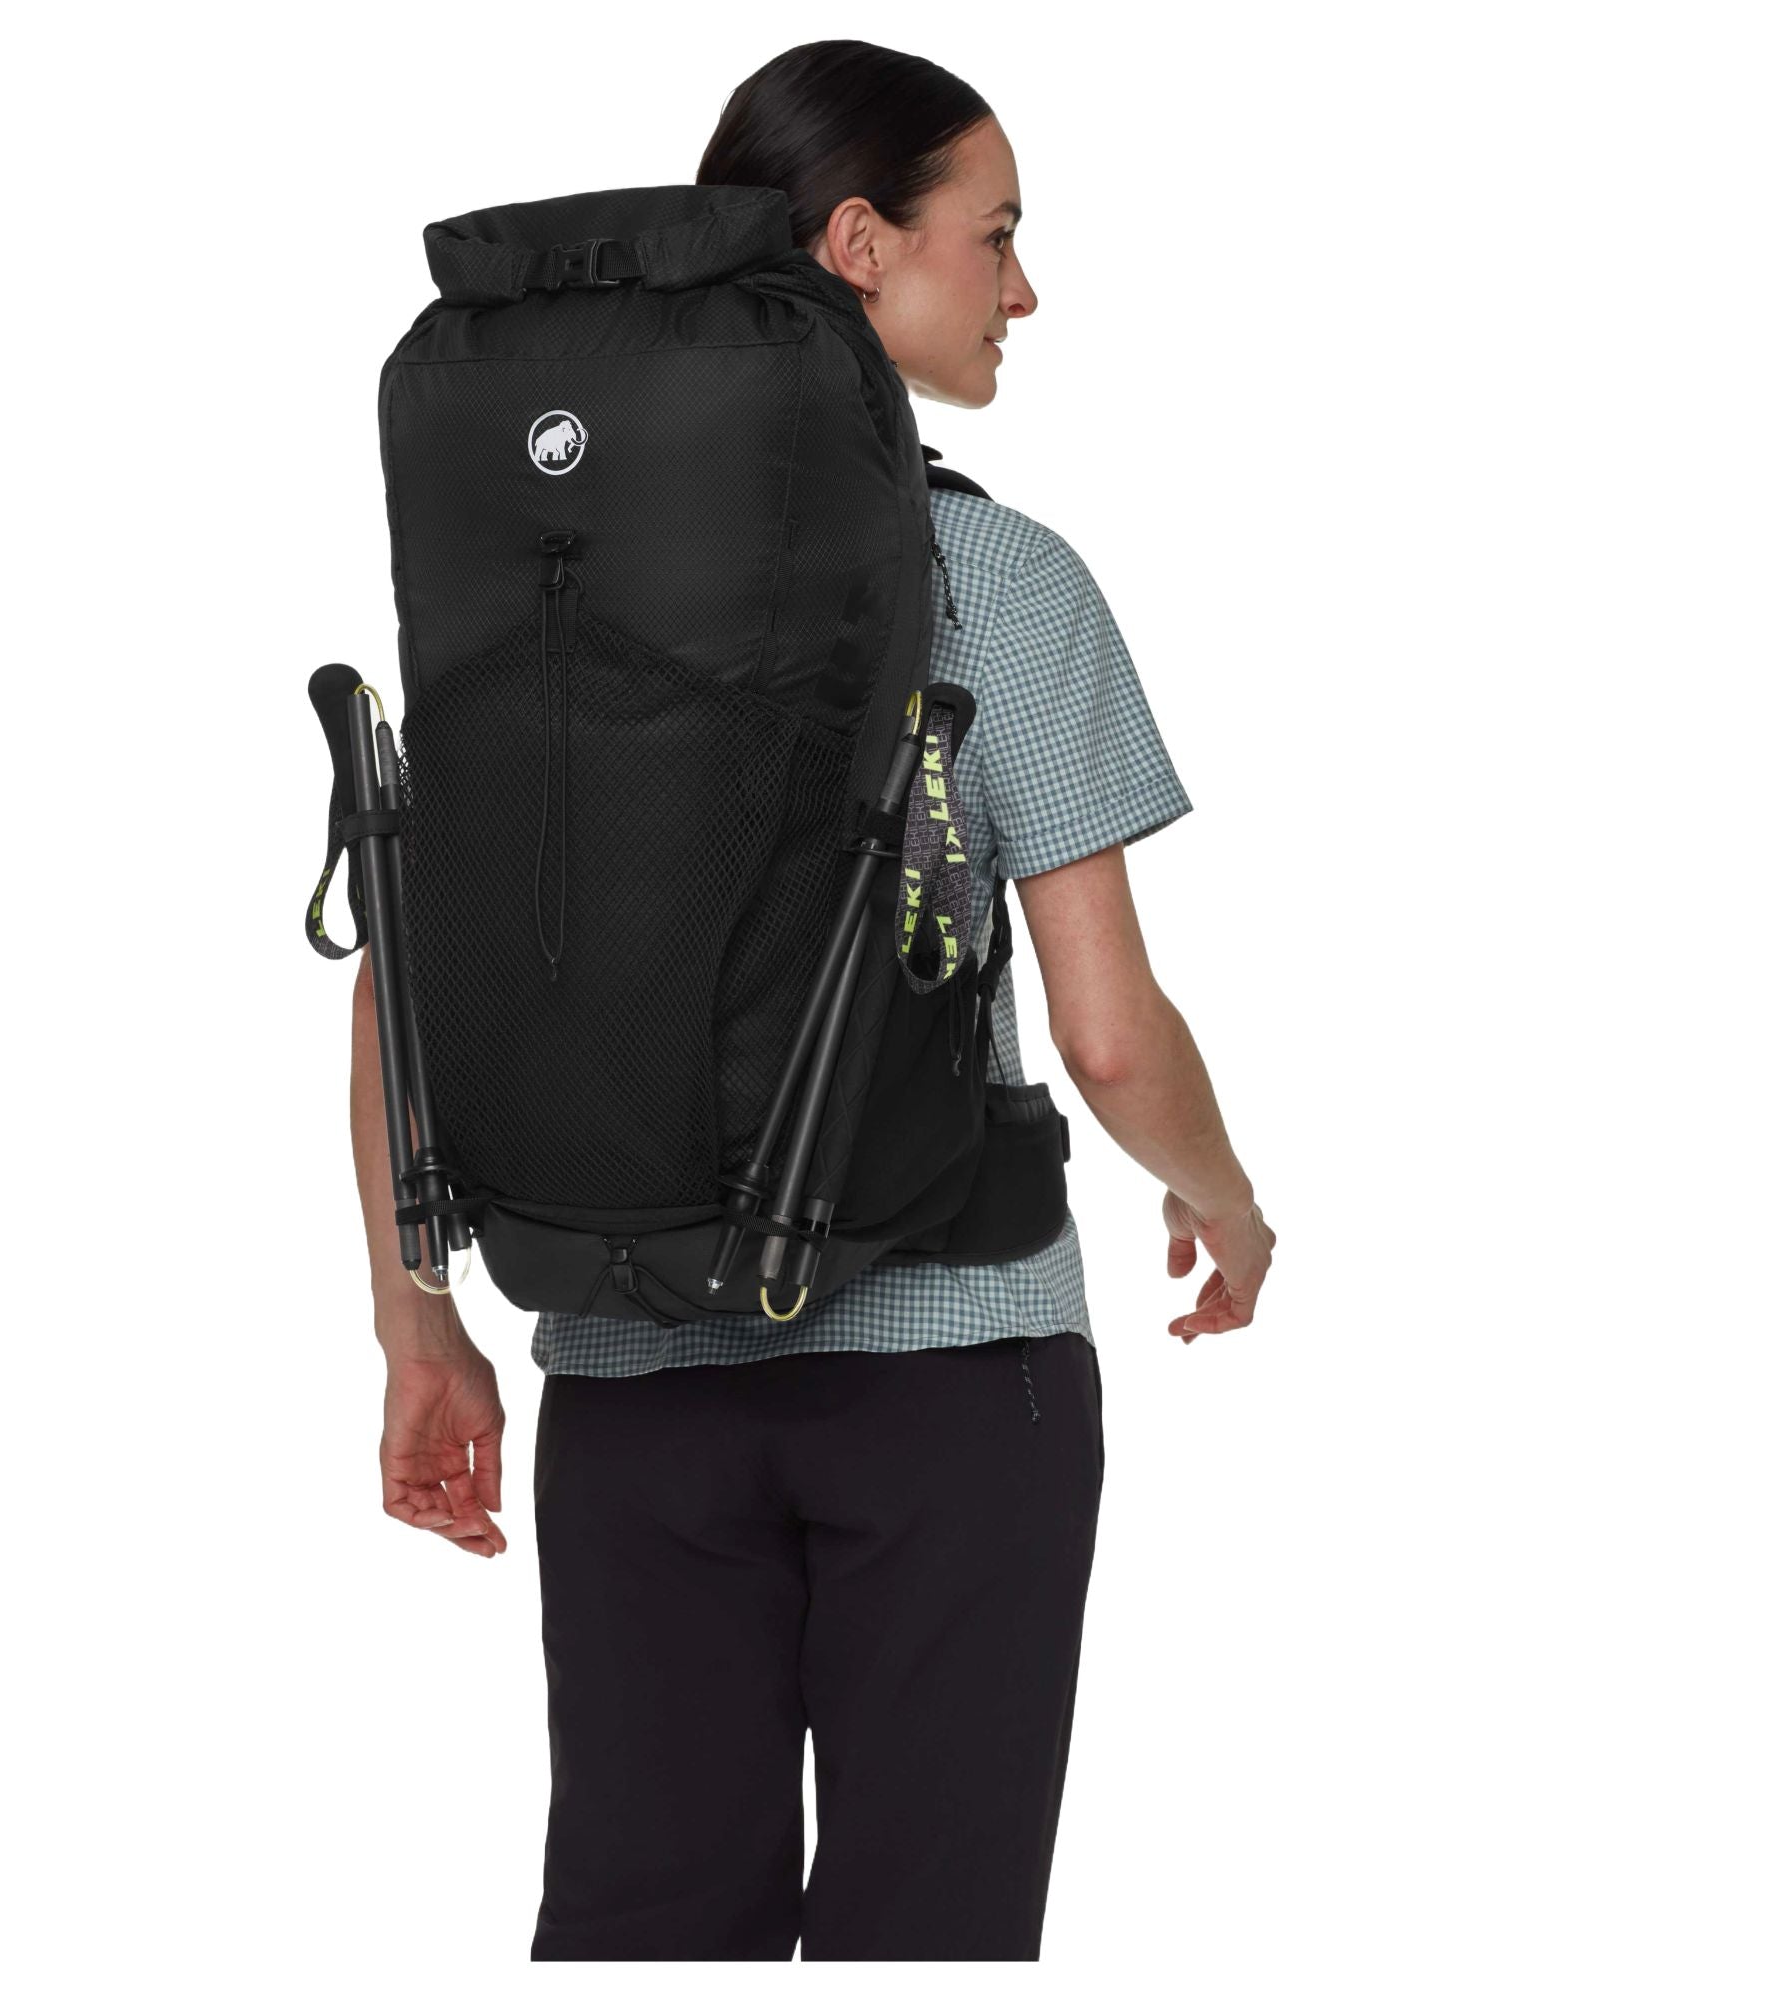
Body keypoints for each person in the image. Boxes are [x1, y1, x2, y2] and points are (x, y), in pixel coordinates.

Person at [347, 40, 1276, 1962]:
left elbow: (415, 976)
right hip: (956, 1380)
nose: (1024, 288)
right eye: (994, 234)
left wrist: (417, 1323)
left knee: (642, 1933)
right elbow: (1110, 1038)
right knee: (925, 1942)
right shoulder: (996, 575)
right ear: (860, 242)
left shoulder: (540, 571)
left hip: (624, 1376)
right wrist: (1230, 1202)